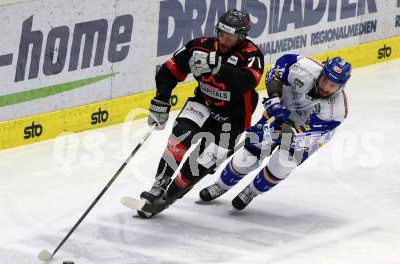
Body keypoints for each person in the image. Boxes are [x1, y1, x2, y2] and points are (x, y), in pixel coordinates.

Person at [136, 9, 264, 217]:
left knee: (198, 165)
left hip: (233, 119)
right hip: (203, 103)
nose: (224, 40)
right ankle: (158, 186)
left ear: (241, 36)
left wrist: (218, 68)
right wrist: (161, 98)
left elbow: (246, 82)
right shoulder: (200, 46)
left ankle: (169, 197)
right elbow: (169, 70)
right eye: (221, 33)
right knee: (178, 138)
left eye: (230, 36)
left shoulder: (251, 55)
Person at [199, 55, 351, 210]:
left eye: (332, 85)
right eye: (324, 80)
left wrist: (271, 132)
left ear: (341, 87)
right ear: (321, 73)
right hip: (280, 113)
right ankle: (220, 185)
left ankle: (251, 191)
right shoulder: (301, 66)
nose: (325, 87)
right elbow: (275, 73)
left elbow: (305, 134)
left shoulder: (336, 111)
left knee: (282, 165)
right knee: (248, 154)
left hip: (306, 134)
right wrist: (274, 101)